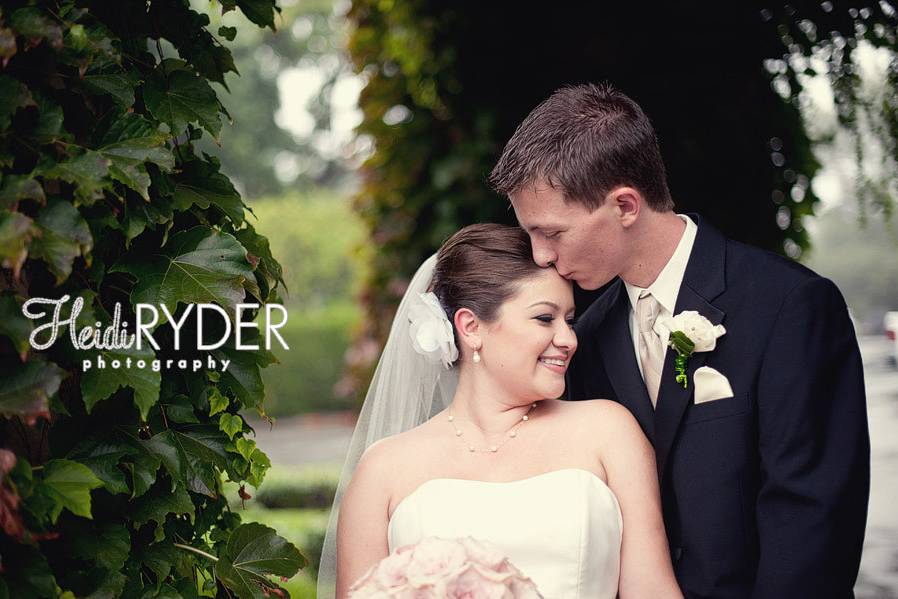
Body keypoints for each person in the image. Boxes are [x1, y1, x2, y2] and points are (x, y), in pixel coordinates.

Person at [490, 83, 870, 598]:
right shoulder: (587, 337)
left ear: (625, 205)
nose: (539, 256)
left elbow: (813, 514)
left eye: (552, 233)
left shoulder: (789, 306)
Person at [319, 224, 682, 598]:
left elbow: (653, 588)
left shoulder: (609, 431)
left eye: (569, 320)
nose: (569, 339)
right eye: (545, 318)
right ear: (471, 326)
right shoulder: (382, 469)